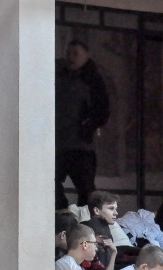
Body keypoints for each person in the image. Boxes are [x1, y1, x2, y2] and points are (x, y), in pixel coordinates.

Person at [55, 40, 109, 209]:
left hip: (81, 145)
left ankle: (86, 221)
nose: (71, 57)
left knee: (86, 189)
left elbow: (102, 110)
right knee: (50, 183)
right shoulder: (58, 75)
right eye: (68, 53)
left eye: (76, 54)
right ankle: (62, 214)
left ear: (86, 56)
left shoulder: (93, 80)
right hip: (58, 143)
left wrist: (87, 126)